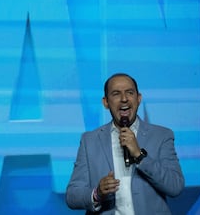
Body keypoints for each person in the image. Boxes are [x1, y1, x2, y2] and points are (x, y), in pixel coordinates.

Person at [65, 73, 184, 214]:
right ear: (106, 102)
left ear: (138, 98)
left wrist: (140, 156)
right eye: (116, 94)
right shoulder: (89, 141)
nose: (124, 99)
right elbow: (72, 196)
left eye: (130, 92)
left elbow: (175, 187)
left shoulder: (162, 136)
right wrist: (97, 193)